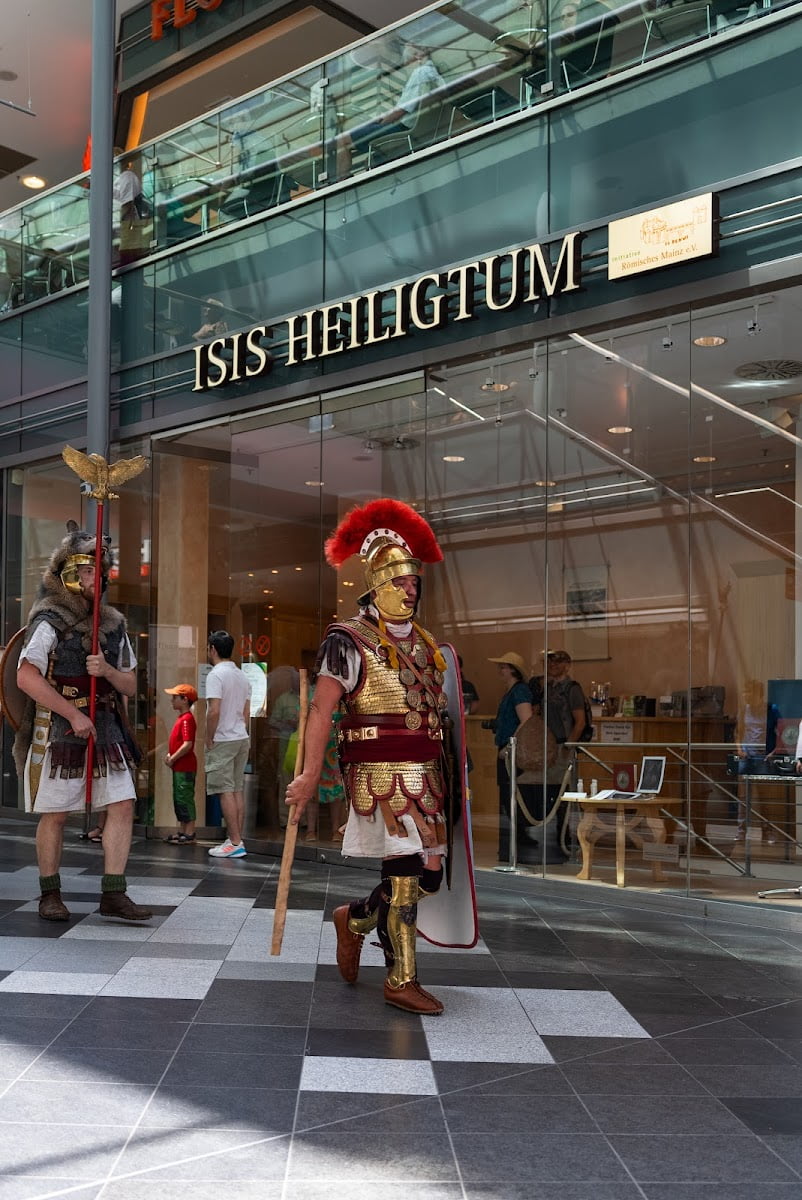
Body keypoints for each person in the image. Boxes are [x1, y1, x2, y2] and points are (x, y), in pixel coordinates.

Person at [286, 498, 476, 1016]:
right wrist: (309, 775)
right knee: (405, 878)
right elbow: (321, 711)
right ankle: (401, 979)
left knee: (429, 877)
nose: (410, 590)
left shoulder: (427, 645)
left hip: (428, 776)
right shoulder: (347, 640)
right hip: (381, 775)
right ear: (376, 585)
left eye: (415, 582)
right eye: (400, 581)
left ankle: (354, 920)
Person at [13, 523, 152, 923]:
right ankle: (50, 894)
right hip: (60, 729)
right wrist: (72, 714)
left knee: (121, 805)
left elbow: (130, 684)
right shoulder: (49, 620)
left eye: (99, 570)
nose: (96, 577)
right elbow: (25, 677)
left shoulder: (113, 624)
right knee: (56, 813)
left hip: (107, 726)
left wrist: (106, 670)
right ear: (68, 574)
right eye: (87, 570)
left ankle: (114, 894)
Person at [335, 43, 445, 177]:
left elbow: (402, 110)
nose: (408, 65)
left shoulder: (420, 73)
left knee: (342, 140)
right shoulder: (435, 76)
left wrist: (381, 124)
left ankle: (341, 180)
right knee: (371, 160)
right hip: (419, 128)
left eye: (408, 61)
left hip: (405, 128)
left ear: (417, 57)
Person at [487, 651, 548, 864]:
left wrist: (510, 744)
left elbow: (526, 719)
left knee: (511, 792)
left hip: (513, 749)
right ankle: (517, 836)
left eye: (504, 667)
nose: (500, 670)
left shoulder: (519, 691)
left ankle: (519, 836)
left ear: (512, 670)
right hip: (507, 746)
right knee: (507, 793)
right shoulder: (512, 691)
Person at [205, 630, 252, 858]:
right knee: (236, 789)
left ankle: (234, 843)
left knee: (225, 790)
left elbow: (213, 710)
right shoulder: (241, 676)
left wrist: (209, 736)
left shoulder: (216, 675)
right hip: (241, 736)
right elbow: (246, 711)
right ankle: (236, 839)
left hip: (223, 738)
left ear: (212, 649)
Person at [163, 683, 198, 844]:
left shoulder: (187, 719)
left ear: (185, 700)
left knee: (185, 797)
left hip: (185, 767)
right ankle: (183, 831)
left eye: (175, 697)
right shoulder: (183, 719)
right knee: (180, 798)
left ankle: (189, 832)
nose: (172, 700)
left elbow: (187, 744)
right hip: (180, 766)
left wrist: (173, 757)